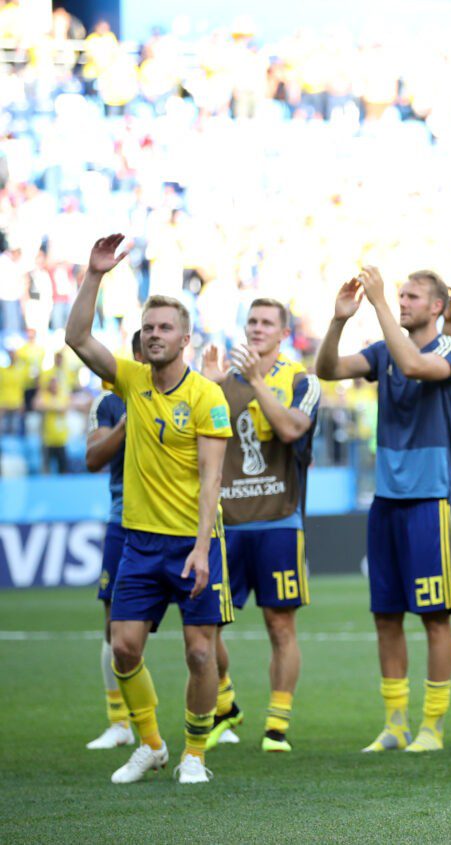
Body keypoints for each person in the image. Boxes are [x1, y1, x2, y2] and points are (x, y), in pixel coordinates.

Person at [65, 234, 233, 785]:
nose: (155, 334)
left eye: (164, 327)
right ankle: (153, 745)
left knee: (200, 654)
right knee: (124, 647)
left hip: (192, 542)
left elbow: (212, 479)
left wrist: (203, 549)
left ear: (185, 338)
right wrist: (94, 275)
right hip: (138, 541)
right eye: (148, 328)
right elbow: (77, 337)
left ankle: (195, 755)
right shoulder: (131, 380)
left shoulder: (206, 396)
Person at [316, 267, 451, 753]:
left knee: (435, 617)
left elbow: (415, 367)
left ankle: (433, 727)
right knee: (386, 616)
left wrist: (378, 302)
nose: (401, 301)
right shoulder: (383, 352)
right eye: (399, 295)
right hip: (386, 502)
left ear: (437, 307)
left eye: (411, 296)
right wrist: (339, 320)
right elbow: (326, 370)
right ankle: (395, 724)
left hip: (430, 501)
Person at [201, 298, 319, 754]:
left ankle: (276, 727)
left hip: (278, 523)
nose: (257, 328)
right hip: (227, 526)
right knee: (206, 627)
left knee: (279, 626)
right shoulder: (222, 383)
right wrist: (206, 389)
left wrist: (255, 382)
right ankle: (226, 704)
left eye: (267, 322)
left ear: (284, 333)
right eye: (252, 321)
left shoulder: (300, 381)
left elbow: (291, 429)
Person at [84, 330, 143, 751]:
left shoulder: (191, 392)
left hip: (176, 523)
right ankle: (120, 722)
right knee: (114, 623)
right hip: (124, 521)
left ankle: (222, 710)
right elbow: (92, 458)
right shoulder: (109, 403)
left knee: (201, 626)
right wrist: (127, 421)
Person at [34, 352, 72, 474]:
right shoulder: (45, 395)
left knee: (63, 469)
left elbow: (65, 407)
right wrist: (55, 407)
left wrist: (49, 407)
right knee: (46, 469)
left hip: (61, 439)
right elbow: (37, 404)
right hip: (48, 439)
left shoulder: (62, 395)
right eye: (52, 383)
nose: (54, 385)